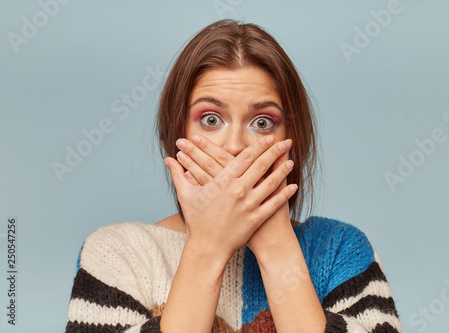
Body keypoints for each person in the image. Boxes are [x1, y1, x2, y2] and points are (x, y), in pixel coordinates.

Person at [65, 19, 402, 333]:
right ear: (176, 131)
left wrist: (276, 246)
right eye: (211, 120)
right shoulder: (119, 254)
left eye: (262, 123)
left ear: (292, 139)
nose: (237, 146)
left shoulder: (341, 250)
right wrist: (208, 247)